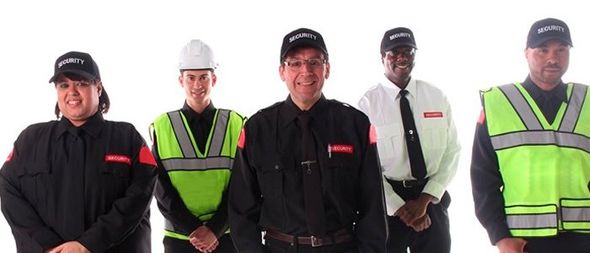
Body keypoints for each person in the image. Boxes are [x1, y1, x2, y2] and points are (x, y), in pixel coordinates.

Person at [228, 27, 388, 253]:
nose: (306, 71)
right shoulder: (257, 129)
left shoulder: (355, 125)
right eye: (295, 63)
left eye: (314, 62)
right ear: (282, 71)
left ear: (327, 69)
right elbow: (241, 210)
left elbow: (373, 207)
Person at [0, 51, 157, 252]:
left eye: (81, 83)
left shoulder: (126, 137)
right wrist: (48, 246)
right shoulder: (30, 139)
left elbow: (140, 194)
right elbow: (8, 190)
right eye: (64, 85)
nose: (72, 91)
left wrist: (88, 244)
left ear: (98, 87)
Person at [471, 17, 590, 253]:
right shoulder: (498, 104)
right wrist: (500, 236)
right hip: (523, 242)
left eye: (561, 50)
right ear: (526, 52)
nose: (553, 59)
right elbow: (483, 179)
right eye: (542, 50)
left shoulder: (587, 101)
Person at [358, 27, 460, 253]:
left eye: (408, 51)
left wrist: (423, 201)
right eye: (394, 53)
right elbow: (365, 166)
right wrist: (400, 208)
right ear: (382, 57)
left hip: (431, 197)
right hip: (387, 203)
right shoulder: (367, 105)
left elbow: (453, 151)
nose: (402, 57)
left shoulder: (436, 96)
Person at [151, 39, 245, 253]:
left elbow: (244, 185)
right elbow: (160, 187)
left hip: (227, 237)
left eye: (203, 77)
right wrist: (194, 229)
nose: (197, 85)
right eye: (190, 78)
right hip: (180, 238)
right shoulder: (162, 126)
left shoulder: (236, 123)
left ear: (214, 79)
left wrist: (214, 229)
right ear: (180, 80)